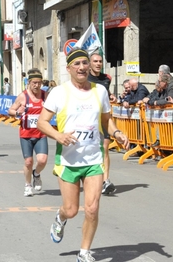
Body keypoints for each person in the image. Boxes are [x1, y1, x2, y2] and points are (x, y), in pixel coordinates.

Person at [37, 48, 129, 262]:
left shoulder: (100, 91)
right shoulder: (59, 92)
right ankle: (60, 218)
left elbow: (106, 120)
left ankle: (84, 252)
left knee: (92, 208)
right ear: (68, 68)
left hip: (93, 159)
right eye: (76, 64)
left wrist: (116, 132)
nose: (81, 67)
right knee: (71, 210)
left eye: (84, 63)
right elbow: (42, 123)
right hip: (68, 160)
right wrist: (58, 136)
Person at [8, 68, 48, 197]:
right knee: (28, 162)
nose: (37, 85)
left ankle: (36, 174)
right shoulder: (23, 96)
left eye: (39, 83)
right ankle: (27, 185)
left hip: (41, 134)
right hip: (26, 134)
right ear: (29, 82)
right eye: (34, 83)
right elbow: (10, 111)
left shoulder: (44, 95)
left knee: (42, 160)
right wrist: (18, 112)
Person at [88, 52, 117, 195]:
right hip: (89, 119)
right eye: (95, 61)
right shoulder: (85, 78)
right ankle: (91, 177)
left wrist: (111, 95)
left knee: (105, 148)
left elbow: (105, 93)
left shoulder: (107, 79)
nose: (98, 63)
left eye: (100, 61)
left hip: (103, 118)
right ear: (90, 63)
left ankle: (106, 181)